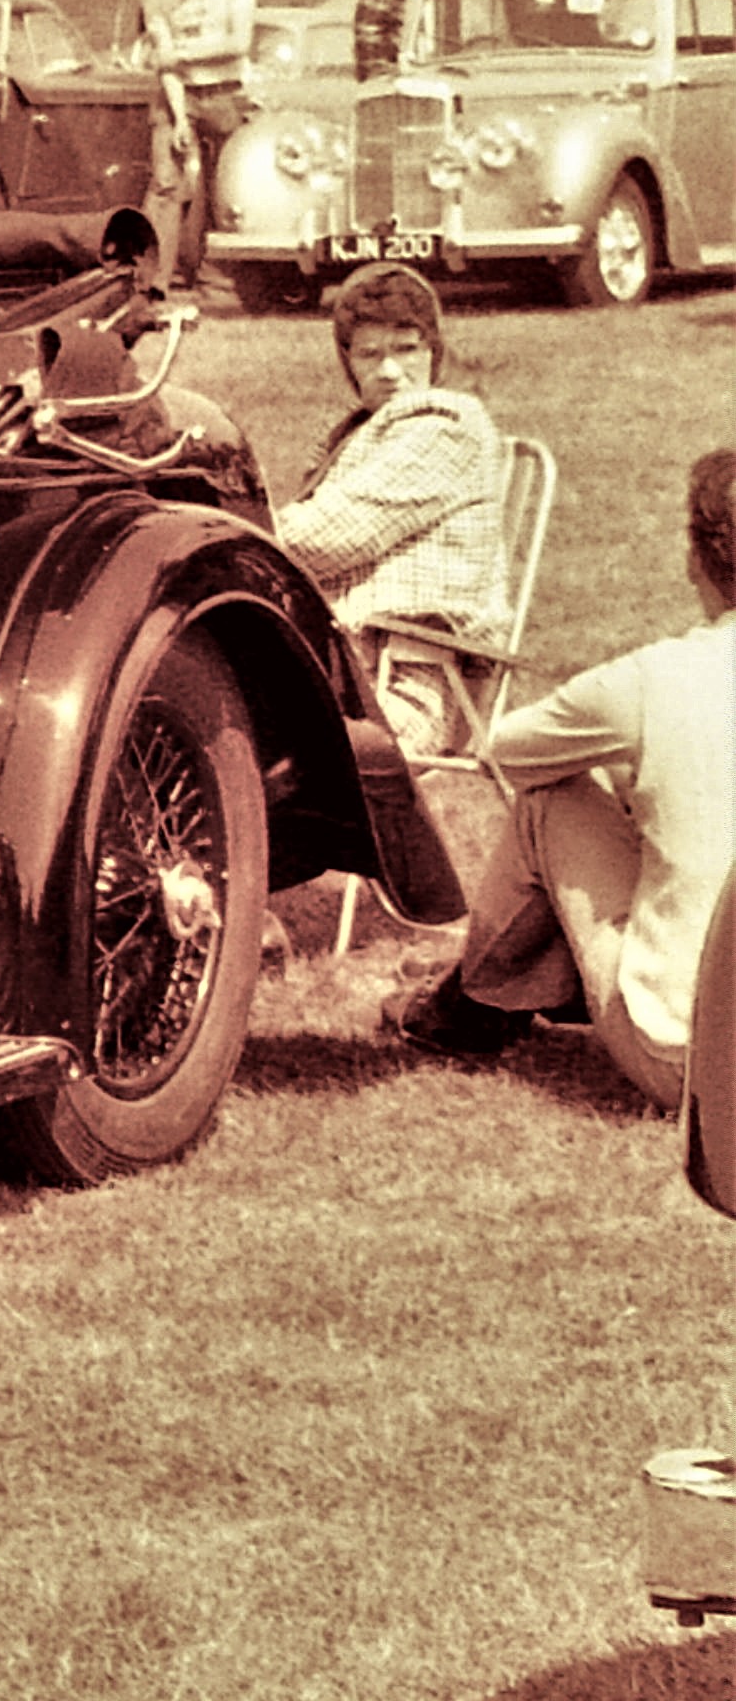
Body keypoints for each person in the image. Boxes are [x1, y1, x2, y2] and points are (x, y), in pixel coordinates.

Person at [385, 448, 736, 1110]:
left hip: (700, 1069)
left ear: (695, 558)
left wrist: (627, 767)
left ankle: (472, 1008)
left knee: (554, 796)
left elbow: (508, 752)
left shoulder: (653, 680)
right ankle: (523, 984)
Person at [274, 264, 508, 756]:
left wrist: (241, 532)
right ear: (348, 361)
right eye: (369, 354)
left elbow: (324, 539)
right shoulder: (357, 434)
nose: (389, 371)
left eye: (406, 349)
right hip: (345, 671)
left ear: (433, 351)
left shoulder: (445, 427)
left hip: (408, 686)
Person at [137, 0, 254, 289]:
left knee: (231, 184)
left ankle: (230, 276)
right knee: (166, 184)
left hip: (226, 90)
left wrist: (182, 54)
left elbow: (238, 42)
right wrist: (179, 119)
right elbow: (164, 63)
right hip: (178, 93)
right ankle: (153, 281)